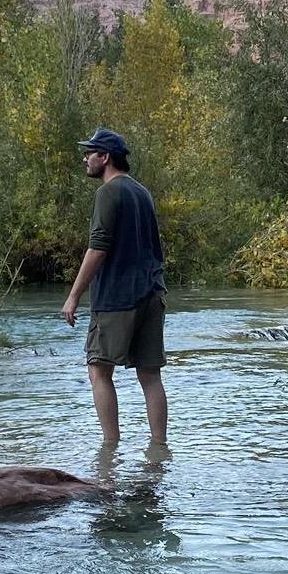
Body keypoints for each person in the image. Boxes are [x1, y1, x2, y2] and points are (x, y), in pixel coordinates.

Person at [60, 127, 168, 447]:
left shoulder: (107, 193)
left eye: (90, 153)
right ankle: (159, 448)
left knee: (98, 369)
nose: (85, 158)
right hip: (152, 292)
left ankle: (110, 449)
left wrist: (73, 296)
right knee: (150, 375)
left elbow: (98, 248)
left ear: (105, 158)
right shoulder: (142, 192)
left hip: (118, 297)